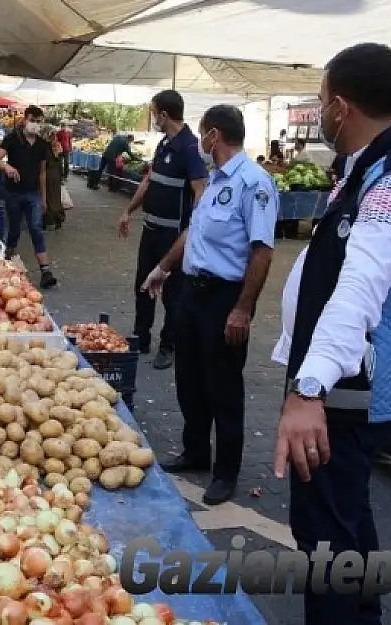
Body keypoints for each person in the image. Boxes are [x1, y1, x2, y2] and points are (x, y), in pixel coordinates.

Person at [271, 43, 391, 624]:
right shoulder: (375, 166)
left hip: (342, 395)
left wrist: (307, 391)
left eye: (323, 99)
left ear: (341, 107)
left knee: (327, 540)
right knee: (344, 525)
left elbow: (358, 290)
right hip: (339, 388)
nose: (323, 111)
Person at [141, 105, 277, 503]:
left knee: (223, 387)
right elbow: (194, 232)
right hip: (191, 293)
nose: (201, 140)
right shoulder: (215, 180)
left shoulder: (255, 183)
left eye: (203, 133)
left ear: (213, 135)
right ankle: (196, 450)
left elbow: (263, 251)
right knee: (190, 378)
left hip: (225, 298)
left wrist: (243, 308)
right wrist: (162, 269)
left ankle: (226, 471)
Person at [117, 90, 207, 369]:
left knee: (173, 294)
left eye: (154, 112)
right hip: (151, 231)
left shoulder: (191, 148)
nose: (153, 117)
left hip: (175, 237)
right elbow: (148, 181)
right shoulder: (164, 144)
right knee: (143, 285)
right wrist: (128, 210)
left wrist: (195, 230)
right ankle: (140, 336)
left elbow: (201, 192)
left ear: (164, 115)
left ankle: (169, 345)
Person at [0, 105, 59, 288]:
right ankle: (7, 260)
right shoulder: (12, 139)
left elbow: (42, 173)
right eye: (33, 120)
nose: (35, 124)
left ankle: (46, 271)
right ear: (25, 119)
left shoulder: (42, 145)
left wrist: (43, 198)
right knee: (13, 230)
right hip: (13, 194)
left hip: (32, 195)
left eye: (38, 122)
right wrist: (7, 167)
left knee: (36, 228)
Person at [43, 130, 66, 230]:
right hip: (55, 175)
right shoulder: (58, 146)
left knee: (49, 199)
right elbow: (60, 162)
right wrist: (62, 176)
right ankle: (58, 219)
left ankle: (50, 220)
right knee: (56, 199)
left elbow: (44, 163)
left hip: (48, 175)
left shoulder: (45, 147)